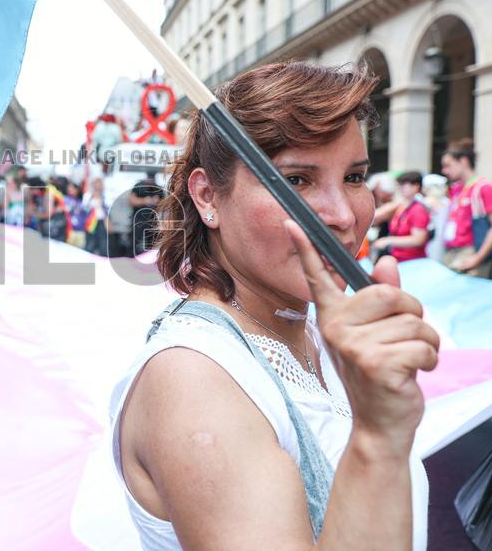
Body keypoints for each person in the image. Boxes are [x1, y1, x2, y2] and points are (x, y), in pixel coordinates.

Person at [111, 63, 437, 550]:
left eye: (353, 176)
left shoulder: (316, 330)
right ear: (207, 197)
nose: (343, 216)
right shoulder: (194, 381)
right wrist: (378, 438)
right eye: (297, 181)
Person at [440, 139, 492, 277]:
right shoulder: (457, 189)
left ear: (463, 161)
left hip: (470, 252)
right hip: (452, 252)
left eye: (448, 165)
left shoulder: (484, 188)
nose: (444, 171)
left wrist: (478, 258)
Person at [372, 171, 431, 263]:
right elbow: (377, 217)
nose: (400, 189)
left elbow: (418, 239)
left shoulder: (418, 209)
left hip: (412, 261)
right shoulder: (402, 206)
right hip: (399, 259)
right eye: (400, 185)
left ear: (415, 186)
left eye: (404, 185)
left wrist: (388, 240)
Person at [130, 171, 165, 256]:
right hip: (139, 219)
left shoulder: (158, 188)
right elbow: (132, 201)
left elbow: (164, 205)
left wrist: (157, 202)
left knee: (152, 245)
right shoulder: (139, 186)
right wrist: (145, 201)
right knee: (136, 243)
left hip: (152, 220)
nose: (150, 180)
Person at [82, 177, 110, 257]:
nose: (97, 187)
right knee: (90, 244)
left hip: (101, 222)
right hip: (91, 222)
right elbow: (84, 208)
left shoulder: (105, 196)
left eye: (99, 185)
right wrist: (93, 197)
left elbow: (108, 209)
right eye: (95, 185)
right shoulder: (87, 195)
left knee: (103, 245)